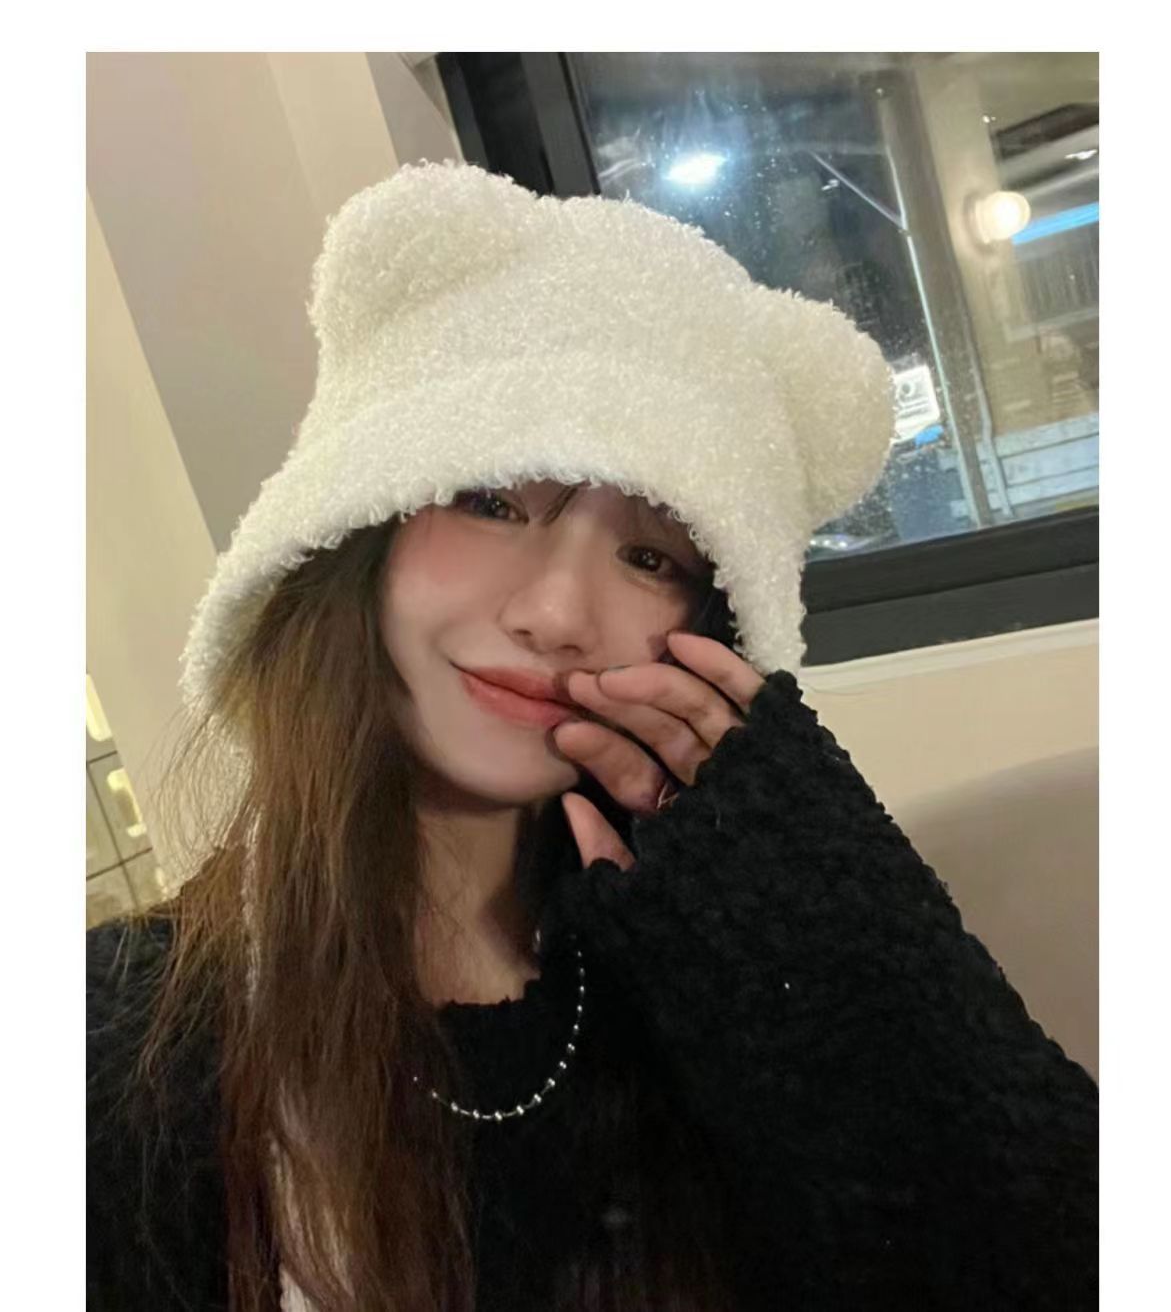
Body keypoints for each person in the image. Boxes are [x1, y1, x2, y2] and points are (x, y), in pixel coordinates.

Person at [87, 162, 1099, 1312]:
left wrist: (811, 879)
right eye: (491, 501)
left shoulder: (704, 972)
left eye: (650, 556)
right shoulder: (116, 1045)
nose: (558, 612)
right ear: (352, 527)